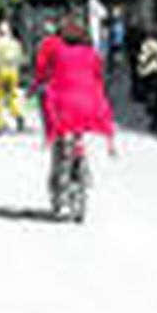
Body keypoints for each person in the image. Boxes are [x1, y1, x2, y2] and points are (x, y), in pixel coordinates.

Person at [33, 12, 116, 199]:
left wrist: (37, 85)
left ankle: (59, 174)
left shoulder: (55, 49)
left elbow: (42, 72)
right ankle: (80, 161)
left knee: (60, 135)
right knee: (79, 130)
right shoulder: (91, 54)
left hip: (62, 102)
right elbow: (99, 76)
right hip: (89, 102)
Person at [136, 31, 157, 134]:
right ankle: (156, 117)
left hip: (149, 73)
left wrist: (139, 71)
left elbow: (142, 59)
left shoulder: (147, 45)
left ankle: (152, 114)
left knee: (150, 94)